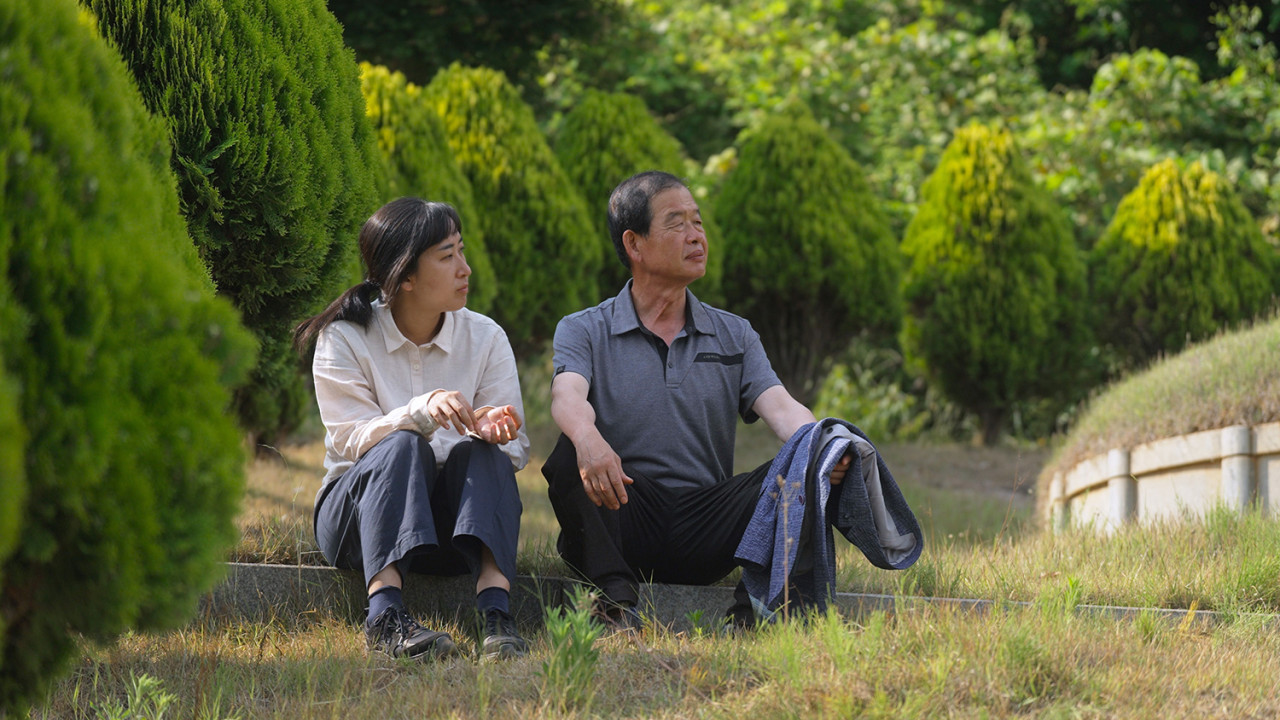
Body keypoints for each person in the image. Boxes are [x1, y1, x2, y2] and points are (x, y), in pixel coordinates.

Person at [542, 171, 920, 631]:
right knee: (568, 453)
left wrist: (819, 452)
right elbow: (567, 395)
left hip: (708, 526)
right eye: (676, 223)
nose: (696, 235)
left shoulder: (734, 333)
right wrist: (587, 439)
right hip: (622, 512)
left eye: (698, 222)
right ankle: (613, 606)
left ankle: (751, 613)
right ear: (634, 244)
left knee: (806, 456)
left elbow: (783, 408)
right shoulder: (584, 328)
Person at [294, 197, 530, 661]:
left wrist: (490, 430)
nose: (465, 268)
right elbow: (349, 439)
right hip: (357, 525)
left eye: (461, 250)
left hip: (449, 535)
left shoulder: (486, 337)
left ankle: (497, 617)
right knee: (403, 445)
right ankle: (384, 617)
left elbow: (516, 449)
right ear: (405, 277)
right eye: (447, 256)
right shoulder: (344, 337)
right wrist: (420, 413)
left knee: (483, 454)